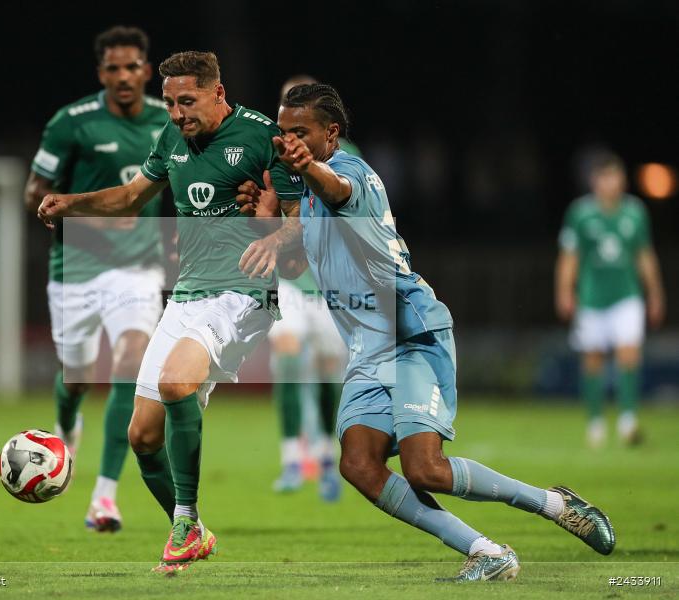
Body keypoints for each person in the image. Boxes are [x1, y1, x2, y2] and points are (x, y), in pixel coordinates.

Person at [235, 83, 615, 582]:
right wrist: (267, 221)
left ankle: (554, 505)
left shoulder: (352, 174)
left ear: (331, 134)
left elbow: (337, 189)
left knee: (425, 468)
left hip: (411, 333)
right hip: (367, 348)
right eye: (282, 133)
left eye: (299, 133)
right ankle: (485, 551)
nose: (287, 143)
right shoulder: (305, 195)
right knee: (358, 465)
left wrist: (305, 168)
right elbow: (302, 259)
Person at [37, 51, 304, 572]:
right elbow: (132, 197)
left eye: (188, 102)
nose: (178, 114)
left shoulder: (260, 136)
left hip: (245, 293)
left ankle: (183, 521)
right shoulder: (171, 139)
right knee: (142, 436)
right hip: (188, 295)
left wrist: (277, 236)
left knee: (177, 383)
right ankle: (194, 530)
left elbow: (301, 218)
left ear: (218, 94)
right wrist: (71, 202)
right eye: (171, 103)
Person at [23, 26, 168, 533]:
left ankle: (104, 498)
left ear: (146, 71)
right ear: (101, 73)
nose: (123, 76)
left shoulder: (169, 121)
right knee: (77, 375)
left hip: (138, 269)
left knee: (131, 361)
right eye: (113, 68)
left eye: (132, 67)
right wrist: (84, 218)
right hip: (76, 270)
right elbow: (34, 192)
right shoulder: (72, 123)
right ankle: (66, 428)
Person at [269, 76, 351, 500]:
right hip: (287, 282)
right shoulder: (270, 153)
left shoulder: (346, 160)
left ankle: (323, 457)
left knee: (327, 375)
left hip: (331, 287)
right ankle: (289, 458)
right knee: (286, 358)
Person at [555, 153, 666, 447]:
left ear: (622, 180)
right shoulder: (580, 213)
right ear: (594, 181)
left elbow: (644, 255)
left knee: (628, 353)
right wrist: (565, 291)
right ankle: (595, 422)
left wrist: (655, 292)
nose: (610, 183)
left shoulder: (635, 212)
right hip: (591, 297)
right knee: (592, 359)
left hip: (627, 295)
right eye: (604, 177)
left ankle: (628, 420)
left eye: (614, 176)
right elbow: (570, 257)